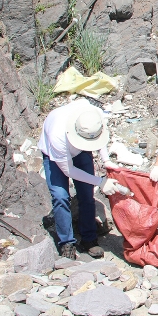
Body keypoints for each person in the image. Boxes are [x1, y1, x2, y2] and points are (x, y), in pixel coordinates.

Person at [38, 99, 132, 259]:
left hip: (81, 151)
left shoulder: (94, 117)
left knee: (87, 193)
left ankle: (89, 239)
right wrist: (100, 182)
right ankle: (67, 243)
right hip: (54, 155)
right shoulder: (57, 134)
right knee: (60, 196)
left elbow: (99, 137)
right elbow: (68, 170)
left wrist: (106, 160)